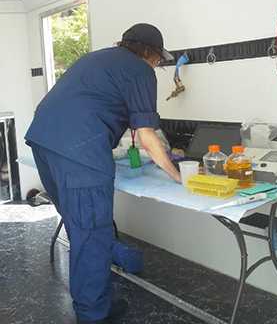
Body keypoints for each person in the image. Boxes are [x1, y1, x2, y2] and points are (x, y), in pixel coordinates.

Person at [25, 23, 181, 324]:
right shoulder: (140, 70)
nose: (157, 65)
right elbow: (147, 136)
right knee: (92, 233)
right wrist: (177, 175)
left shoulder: (96, 59)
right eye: (159, 60)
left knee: (80, 222)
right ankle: (93, 314)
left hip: (43, 142)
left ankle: (120, 260)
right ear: (149, 53)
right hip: (79, 154)